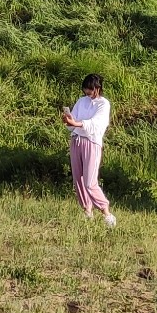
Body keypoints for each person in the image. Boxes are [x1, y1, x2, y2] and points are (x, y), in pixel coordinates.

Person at [62, 73, 116, 227]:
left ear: (97, 89)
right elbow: (74, 120)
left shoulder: (103, 104)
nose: (87, 94)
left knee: (90, 181)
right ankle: (87, 211)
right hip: (76, 140)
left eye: (90, 91)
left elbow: (96, 124)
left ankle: (106, 212)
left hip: (91, 142)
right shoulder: (81, 101)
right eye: (85, 91)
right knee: (78, 179)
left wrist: (77, 123)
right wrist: (68, 121)